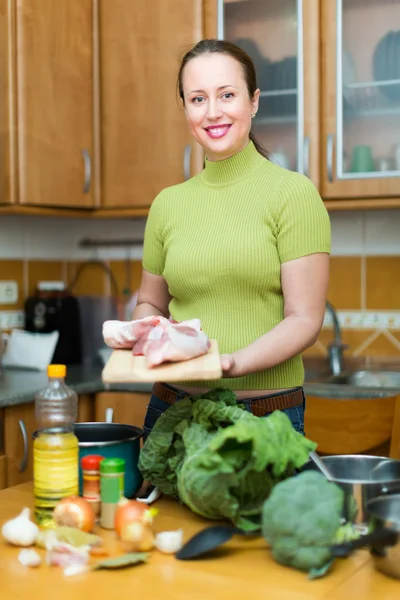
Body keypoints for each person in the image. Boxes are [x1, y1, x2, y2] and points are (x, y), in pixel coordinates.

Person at [133, 39, 331, 438]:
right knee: (156, 505)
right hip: (172, 411)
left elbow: (305, 319)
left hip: (263, 417)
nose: (213, 112)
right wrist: (148, 334)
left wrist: (229, 364)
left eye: (227, 95)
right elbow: (150, 301)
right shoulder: (167, 205)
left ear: (253, 101)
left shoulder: (293, 194)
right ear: (185, 108)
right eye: (198, 99)